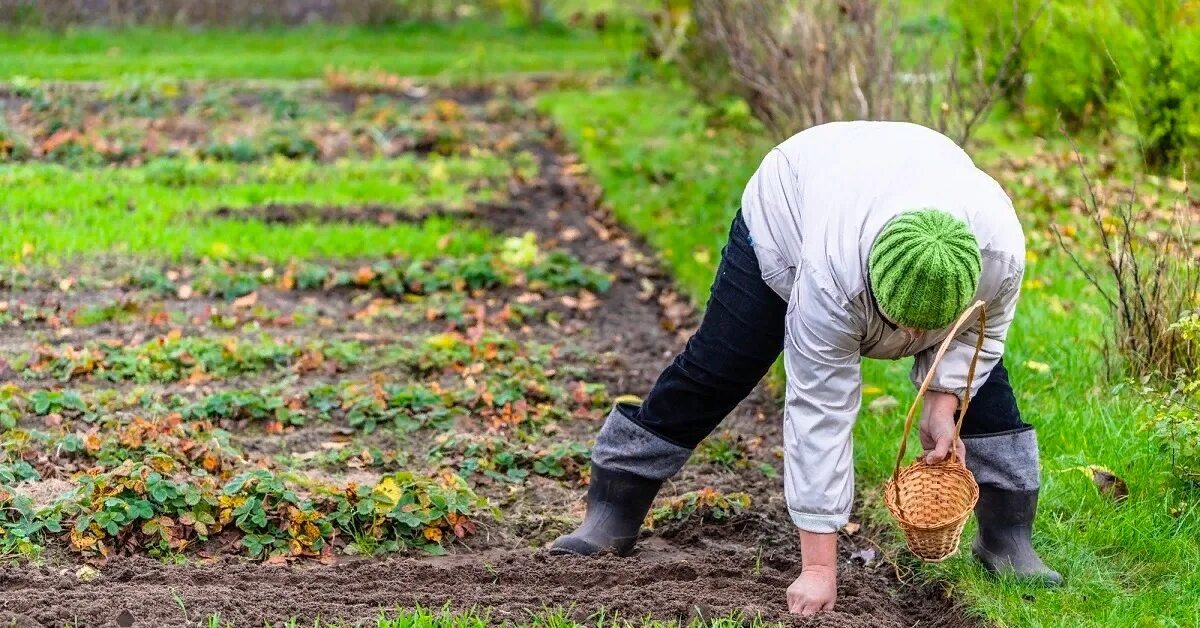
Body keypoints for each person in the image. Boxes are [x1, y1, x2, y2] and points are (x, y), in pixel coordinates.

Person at [549, 121, 1063, 614]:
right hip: (793, 204)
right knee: (722, 366)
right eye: (899, 325)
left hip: (899, 175)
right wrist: (819, 568)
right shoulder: (830, 273)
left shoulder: (998, 253)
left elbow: (979, 335)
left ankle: (1006, 537)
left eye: (924, 332)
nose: (910, 342)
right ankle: (618, 496)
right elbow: (820, 411)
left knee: (983, 384)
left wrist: (943, 400)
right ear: (871, 287)